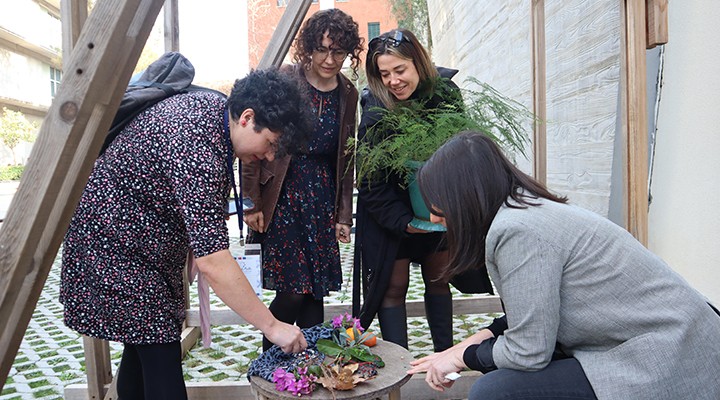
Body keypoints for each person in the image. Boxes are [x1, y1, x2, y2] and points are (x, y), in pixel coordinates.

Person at [60, 67, 314, 399]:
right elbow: (213, 259)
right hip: (114, 246)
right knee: (161, 357)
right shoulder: (195, 138)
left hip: (139, 247)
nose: (268, 156)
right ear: (247, 118)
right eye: (270, 144)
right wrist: (272, 326)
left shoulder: (212, 113)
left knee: (143, 354)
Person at [407, 131, 720, 400]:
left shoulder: (517, 230)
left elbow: (528, 352)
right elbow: (536, 310)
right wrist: (474, 340)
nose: (434, 216)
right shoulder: (524, 210)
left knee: (495, 391)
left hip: (669, 354)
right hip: (666, 339)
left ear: (464, 195)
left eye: (437, 202)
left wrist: (462, 358)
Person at [242, 9, 363, 351]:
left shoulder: (347, 92)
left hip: (321, 198)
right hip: (282, 196)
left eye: (338, 51)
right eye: (322, 49)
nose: (329, 59)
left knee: (314, 291)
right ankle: (269, 361)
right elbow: (252, 140)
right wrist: (251, 202)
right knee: (294, 290)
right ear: (309, 47)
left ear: (348, 52)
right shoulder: (285, 79)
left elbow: (346, 156)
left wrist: (343, 214)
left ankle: (306, 369)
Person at [352, 28, 463, 353]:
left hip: (438, 207)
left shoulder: (446, 94)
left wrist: (446, 205)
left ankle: (446, 358)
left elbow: (463, 155)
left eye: (400, 70)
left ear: (418, 63)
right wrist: (404, 221)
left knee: (439, 280)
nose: (393, 81)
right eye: (384, 74)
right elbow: (369, 178)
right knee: (393, 287)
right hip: (391, 213)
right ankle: (400, 366)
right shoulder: (374, 106)